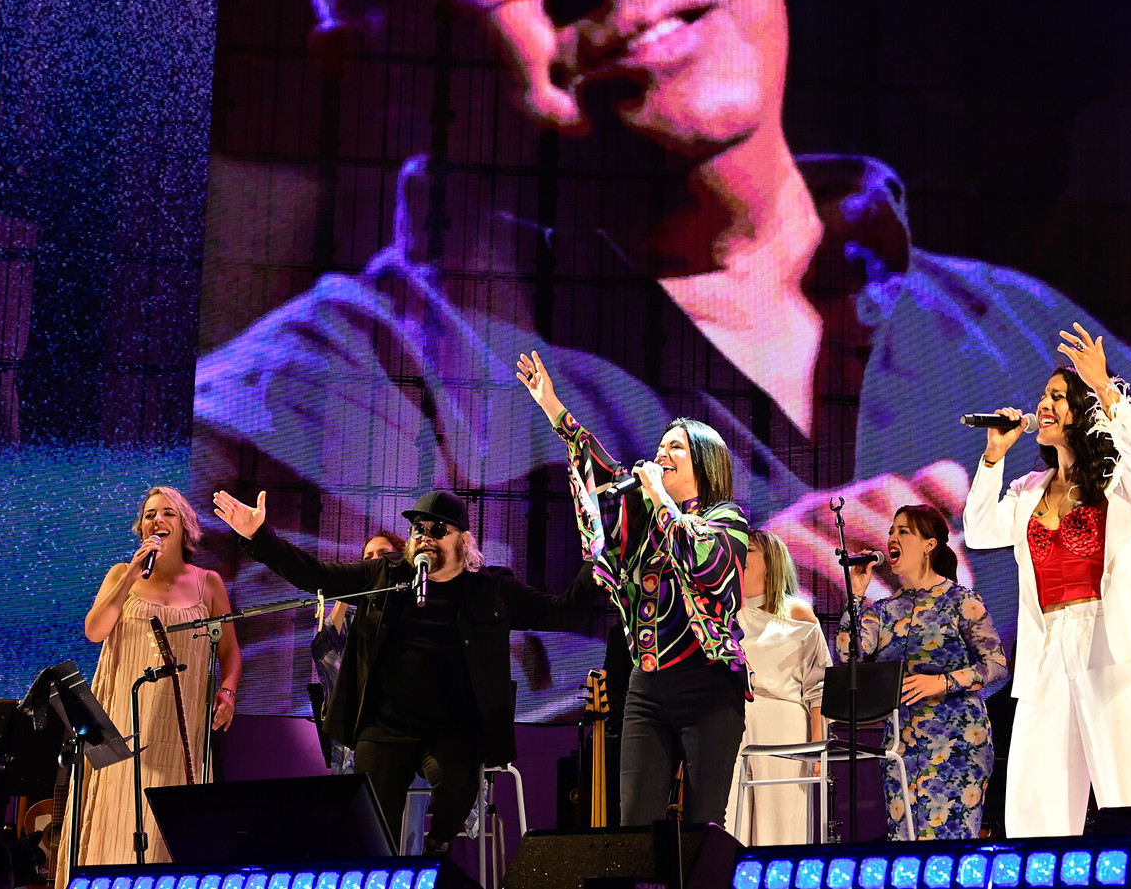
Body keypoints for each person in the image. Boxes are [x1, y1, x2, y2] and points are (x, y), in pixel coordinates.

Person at [191, 0, 1131, 720]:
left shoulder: (1010, 335)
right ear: (370, 63)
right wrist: (705, 636)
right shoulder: (316, 399)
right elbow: (277, 744)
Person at [210, 486, 597, 853]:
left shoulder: (490, 590)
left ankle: (437, 844)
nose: (426, 536)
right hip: (385, 728)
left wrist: (599, 556)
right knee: (374, 827)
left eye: (438, 529)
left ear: (463, 541)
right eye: (418, 529)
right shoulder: (382, 577)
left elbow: (563, 612)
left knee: (458, 787)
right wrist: (259, 536)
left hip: (454, 729)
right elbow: (315, 574)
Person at [962, 323, 1131, 837]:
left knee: (1126, 799)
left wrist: (1105, 386)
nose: (1043, 404)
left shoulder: (1114, 484)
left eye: (1057, 397)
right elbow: (977, 531)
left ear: (1082, 412)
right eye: (1043, 395)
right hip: (1047, 651)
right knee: (1032, 800)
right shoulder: (1027, 490)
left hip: (1111, 643)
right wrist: (993, 456)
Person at [517, 349, 749, 827]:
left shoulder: (728, 521)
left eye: (677, 448)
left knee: (702, 827)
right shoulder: (642, 521)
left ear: (705, 464)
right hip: (646, 687)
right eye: (660, 446)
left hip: (708, 687)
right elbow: (600, 470)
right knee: (635, 828)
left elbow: (704, 563)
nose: (661, 454)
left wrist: (661, 497)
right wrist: (553, 409)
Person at [64, 487, 241, 877]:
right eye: (149, 515)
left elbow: (229, 651)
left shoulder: (208, 583)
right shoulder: (121, 575)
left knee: (171, 827)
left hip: (181, 728)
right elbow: (94, 631)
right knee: (120, 816)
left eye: (168, 513)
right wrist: (130, 572)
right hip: (125, 722)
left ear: (186, 527)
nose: (156, 520)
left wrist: (227, 692)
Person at [840, 504, 1008, 840]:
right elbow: (849, 654)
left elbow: (996, 665)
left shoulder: (961, 600)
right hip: (902, 742)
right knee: (904, 842)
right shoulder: (883, 610)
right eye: (891, 531)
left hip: (957, 738)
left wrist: (941, 682)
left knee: (949, 844)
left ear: (929, 545)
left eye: (903, 531)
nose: (892, 537)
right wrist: (856, 595)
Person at [724, 528, 831, 845]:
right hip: (730, 723)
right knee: (729, 823)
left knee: (781, 829)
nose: (739, 555)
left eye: (750, 550)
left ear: (771, 562)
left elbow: (819, 688)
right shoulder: (721, 615)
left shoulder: (797, 613)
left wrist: (817, 747)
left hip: (782, 726)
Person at [311, 530, 406, 772]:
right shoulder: (355, 615)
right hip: (363, 724)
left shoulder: (412, 608)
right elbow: (325, 651)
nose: (375, 560)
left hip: (405, 722)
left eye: (383, 554)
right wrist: (348, 591)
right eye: (368, 556)